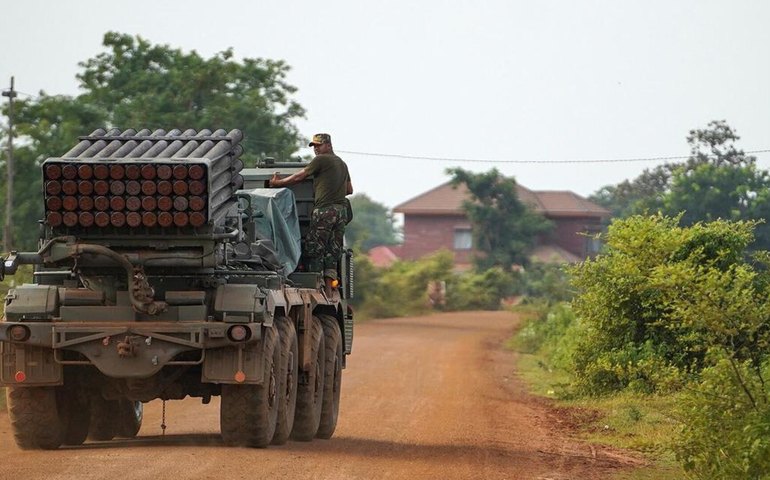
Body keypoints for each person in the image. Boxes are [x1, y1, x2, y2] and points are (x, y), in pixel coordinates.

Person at [269, 133, 353, 295]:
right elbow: (349, 190)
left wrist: (277, 183)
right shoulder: (342, 164)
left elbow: (300, 176)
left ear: (328, 145)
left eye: (318, 145)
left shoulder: (321, 160)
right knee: (332, 249)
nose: (316, 149)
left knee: (314, 248)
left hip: (324, 210)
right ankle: (329, 288)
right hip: (341, 212)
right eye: (313, 146)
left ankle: (316, 286)